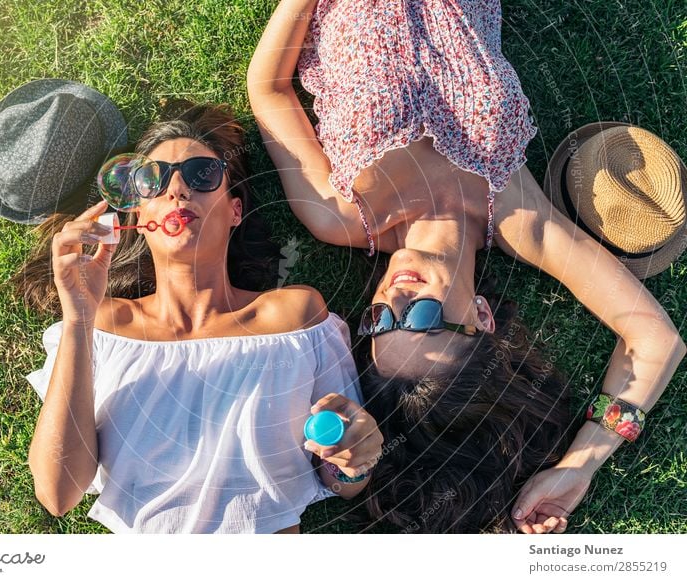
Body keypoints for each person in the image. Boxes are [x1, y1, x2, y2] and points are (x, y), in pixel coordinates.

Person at [247, 0, 686, 532]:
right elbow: (656, 339)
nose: (396, 298)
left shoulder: (341, 216)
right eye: (425, 318)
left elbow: (269, 90)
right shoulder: (522, 220)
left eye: (380, 322)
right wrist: (580, 465)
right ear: (481, 316)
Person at [14, 100, 384, 533]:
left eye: (202, 175)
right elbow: (58, 493)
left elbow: (340, 477)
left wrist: (355, 462)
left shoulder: (294, 315)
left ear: (234, 211)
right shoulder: (100, 326)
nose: (177, 191)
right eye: (153, 181)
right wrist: (78, 318)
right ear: (137, 212)